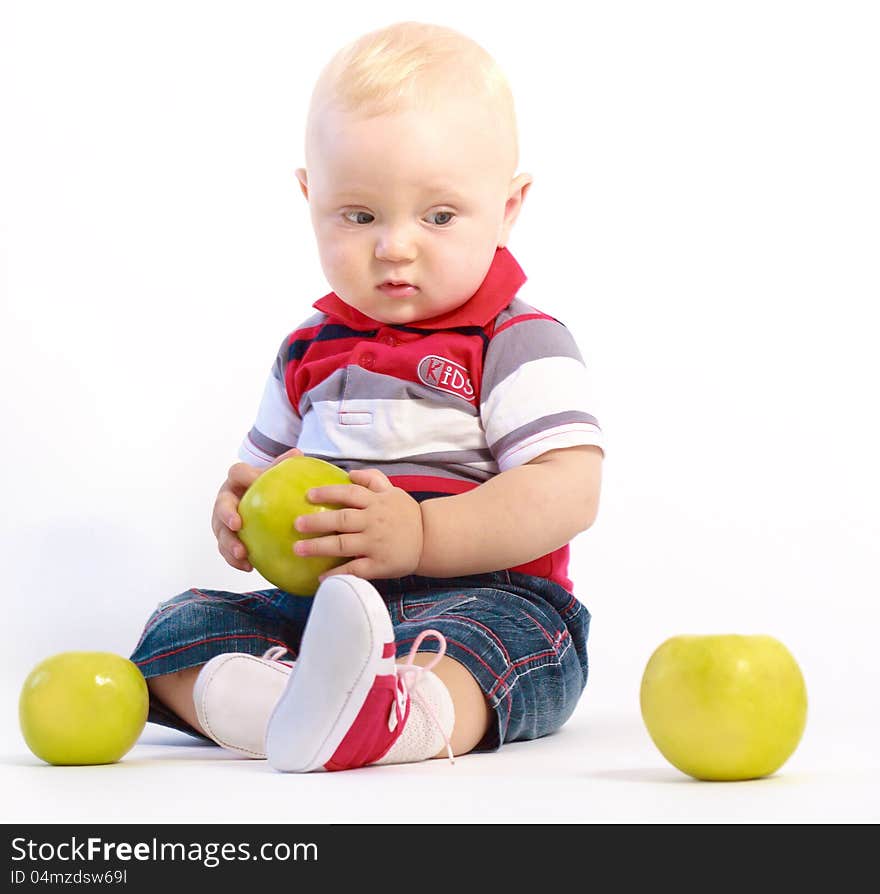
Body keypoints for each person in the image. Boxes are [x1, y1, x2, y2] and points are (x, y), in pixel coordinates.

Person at [130, 20, 604, 772]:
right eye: (359, 216)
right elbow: (261, 474)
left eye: (440, 216)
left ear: (508, 208)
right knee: (177, 627)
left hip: (480, 595)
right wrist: (238, 512)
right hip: (321, 611)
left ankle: (399, 716)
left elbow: (567, 490)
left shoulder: (515, 340)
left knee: (502, 645)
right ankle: (281, 712)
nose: (395, 246)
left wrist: (422, 536)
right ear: (310, 196)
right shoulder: (306, 349)